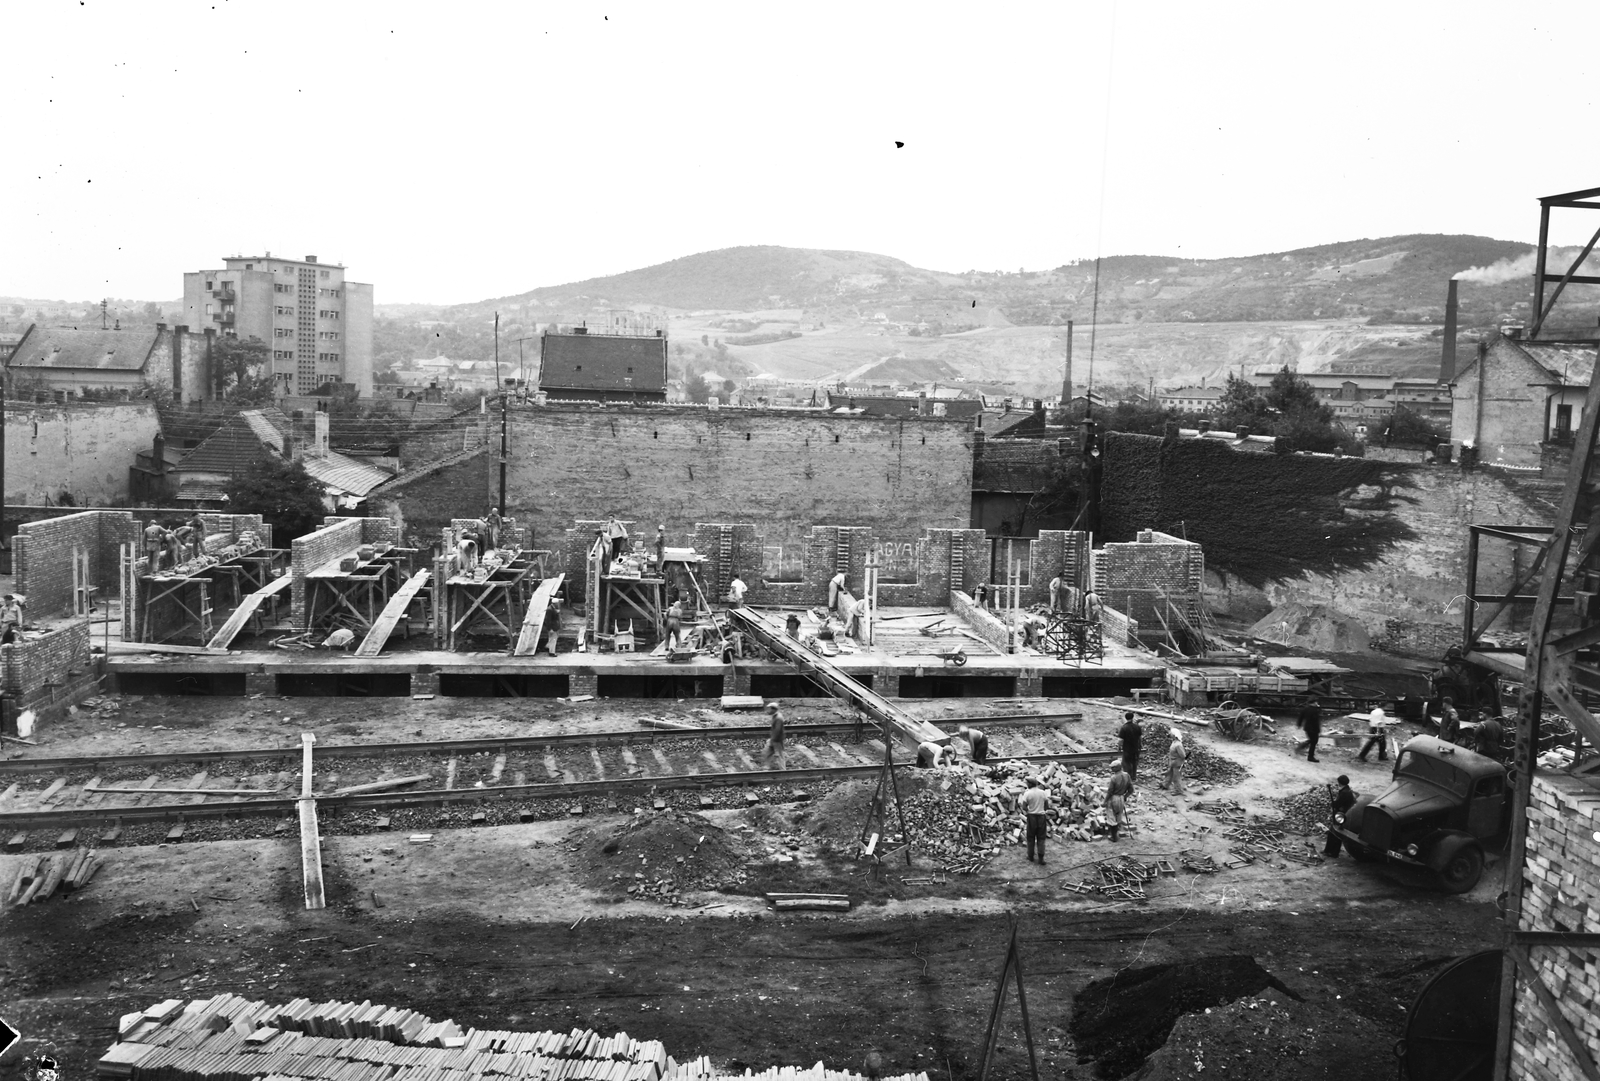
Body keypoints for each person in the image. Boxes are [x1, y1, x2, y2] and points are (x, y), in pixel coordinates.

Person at [1324, 775, 1357, 857]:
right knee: (1333, 833)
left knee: (1335, 834)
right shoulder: (1347, 790)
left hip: (1340, 815)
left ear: (1340, 783)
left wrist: (1333, 804)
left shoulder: (1344, 793)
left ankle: (1333, 852)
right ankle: (1328, 850)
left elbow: (1338, 804)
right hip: (1342, 814)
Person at [1020, 776, 1051, 862]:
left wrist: (1030, 810)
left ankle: (1031, 856)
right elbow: (1047, 806)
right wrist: (1041, 810)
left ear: (1030, 784)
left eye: (1027, 783)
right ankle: (1041, 858)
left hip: (1032, 817)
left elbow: (1024, 807)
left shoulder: (1027, 793)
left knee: (1030, 838)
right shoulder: (1043, 793)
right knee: (1041, 838)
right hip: (1041, 817)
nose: (1026, 785)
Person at [1105, 764, 1133, 842]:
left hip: (1114, 798)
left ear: (1117, 768)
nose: (1111, 769)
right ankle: (1117, 834)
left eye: (1113, 767)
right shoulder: (1127, 775)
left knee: (1111, 816)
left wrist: (1105, 801)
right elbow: (1131, 789)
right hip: (1121, 797)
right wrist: (1125, 796)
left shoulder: (1113, 778)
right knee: (1118, 816)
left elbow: (1110, 791)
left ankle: (1114, 837)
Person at [1160, 729, 1187, 795]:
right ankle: (1165, 784)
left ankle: (1178, 790)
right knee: (1170, 774)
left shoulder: (1178, 745)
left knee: (1176, 777)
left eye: (1171, 734)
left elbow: (1183, 755)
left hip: (1177, 763)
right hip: (1172, 762)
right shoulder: (1174, 742)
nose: (1170, 735)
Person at [1118, 711, 1144, 779]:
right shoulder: (1137, 727)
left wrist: (1119, 747)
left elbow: (1121, 740)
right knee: (1134, 762)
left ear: (1126, 718)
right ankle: (1134, 776)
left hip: (1127, 749)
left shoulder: (1124, 727)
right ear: (1132, 718)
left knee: (1126, 763)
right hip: (1135, 748)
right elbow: (1140, 738)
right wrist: (1140, 745)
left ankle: (1127, 777)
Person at [1297, 698, 1324, 762]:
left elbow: (1301, 717)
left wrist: (1299, 724)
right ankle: (1310, 756)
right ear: (1314, 703)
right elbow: (1316, 721)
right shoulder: (1315, 710)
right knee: (1314, 742)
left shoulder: (1305, 709)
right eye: (1316, 702)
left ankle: (1302, 747)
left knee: (1312, 740)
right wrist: (1318, 730)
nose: (1317, 703)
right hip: (1314, 728)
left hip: (1307, 728)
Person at [761, 702, 786, 769]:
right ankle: (767, 767)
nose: (768, 710)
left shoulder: (778, 718)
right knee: (767, 753)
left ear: (773, 709)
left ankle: (783, 770)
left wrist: (773, 740)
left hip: (777, 740)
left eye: (769, 709)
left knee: (780, 755)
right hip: (774, 739)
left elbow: (778, 730)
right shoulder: (775, 716)